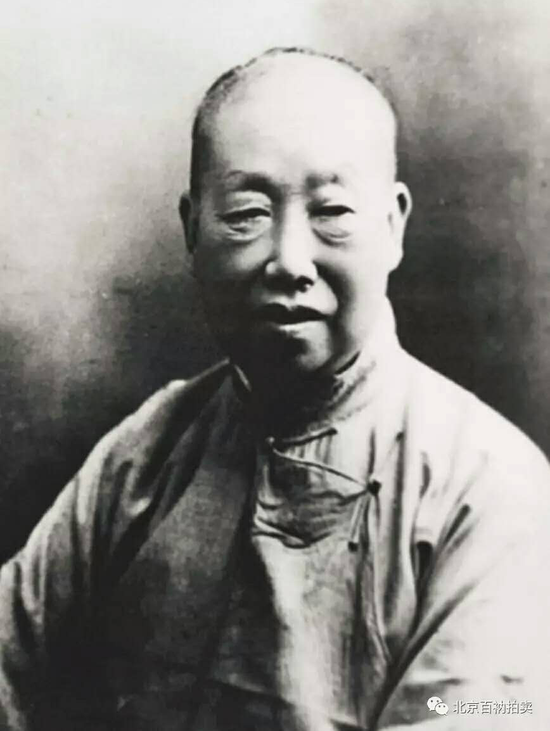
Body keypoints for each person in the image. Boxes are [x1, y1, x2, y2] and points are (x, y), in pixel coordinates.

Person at [1, 47, 549, 731]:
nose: (289, 260)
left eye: (333, 210)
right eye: (247, 213)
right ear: (191, 229)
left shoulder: (492, 491)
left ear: (393, 225)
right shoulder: (150, 449)